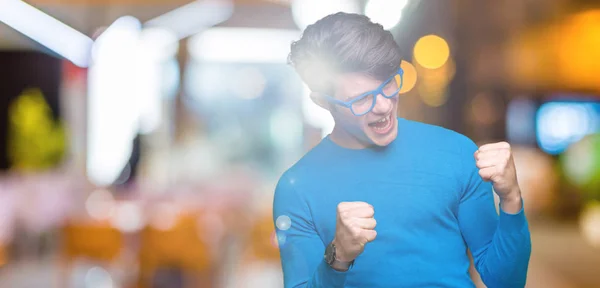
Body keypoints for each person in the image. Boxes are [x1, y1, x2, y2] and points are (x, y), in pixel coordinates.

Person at [272, 12, 531, 288]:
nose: (383, 106)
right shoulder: (297, 188)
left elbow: (506, 282)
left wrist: (511, 198)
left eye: (389, 84)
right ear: (323, 102)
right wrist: (339, 257)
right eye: (361, 99)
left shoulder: (456, 153)